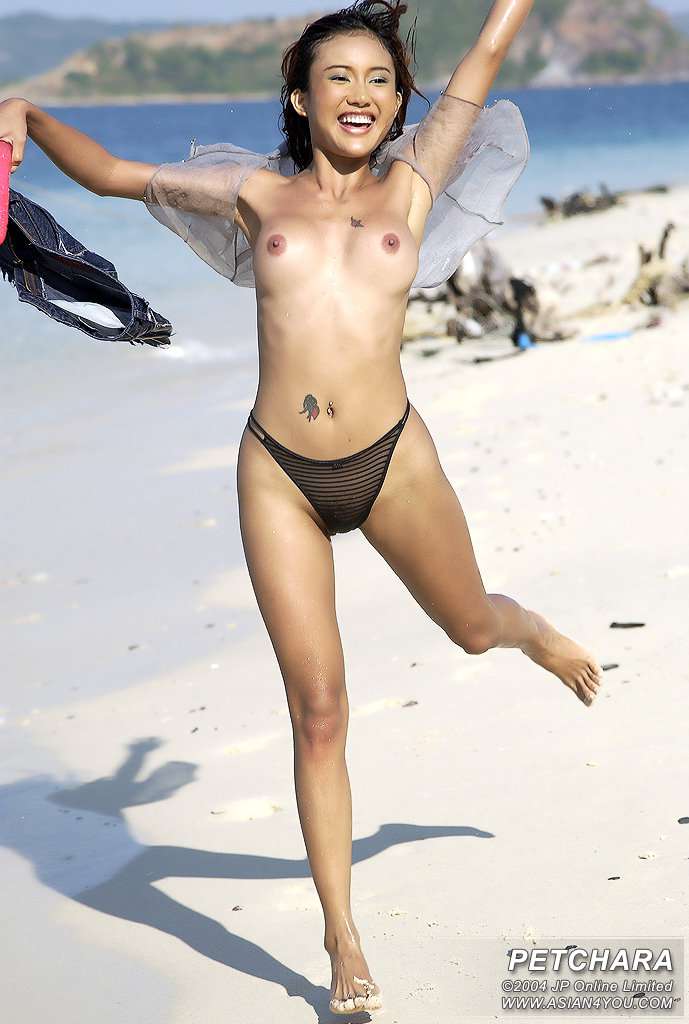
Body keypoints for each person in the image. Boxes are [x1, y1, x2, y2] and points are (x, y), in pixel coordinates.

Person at [1, 0, 602, 1013]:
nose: (361, 94)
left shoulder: (414, 180)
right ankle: (342, 934)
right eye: (339, 77)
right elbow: (108, 174)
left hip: (391, 461)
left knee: (470, 628)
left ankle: (529, 631)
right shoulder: (251, 193)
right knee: (318, 711)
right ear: (298, 95)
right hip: (277, 471)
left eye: (380, 80)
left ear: (398, 101)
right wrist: (25, 112)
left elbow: (491, 47)